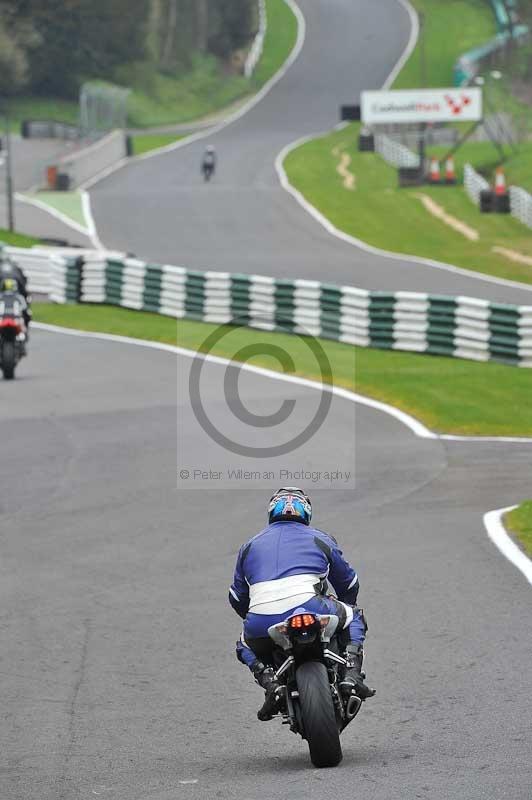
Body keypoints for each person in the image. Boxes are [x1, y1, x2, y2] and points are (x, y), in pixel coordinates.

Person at [229, 487, 375, 722]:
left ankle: (271, 684)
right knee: (355, 615)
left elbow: (237, 598)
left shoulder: (249, 547)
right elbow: (349, 583)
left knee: (244, 643)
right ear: (306, 513)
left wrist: (258, 616)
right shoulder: (320, 538)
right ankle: (352, 674)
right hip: (311, 606)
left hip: (261, 618)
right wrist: (345, 608)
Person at [0, 257, 32, 332]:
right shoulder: (16, 269)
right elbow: (24, 287)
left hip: (17, 294)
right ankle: (25, 328)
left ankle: (24, 329)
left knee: (25, 309)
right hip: (18, 293)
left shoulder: (15, 271)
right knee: (25, 309)